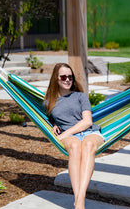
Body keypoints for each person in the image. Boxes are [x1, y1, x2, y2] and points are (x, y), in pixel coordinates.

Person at [44, 63, 104, 209]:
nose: (67, 80)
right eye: (63, 76)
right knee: (76, 146)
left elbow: (87, 121)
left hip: (89, 132)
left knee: (88, 145)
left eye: (70, 77)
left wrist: (63, 134)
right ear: (55, 79)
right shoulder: (48, 102)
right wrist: (53, 125)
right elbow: (47, 118)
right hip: (71, 137)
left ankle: (79, 201)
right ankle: (80, 202)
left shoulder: (80, 96)